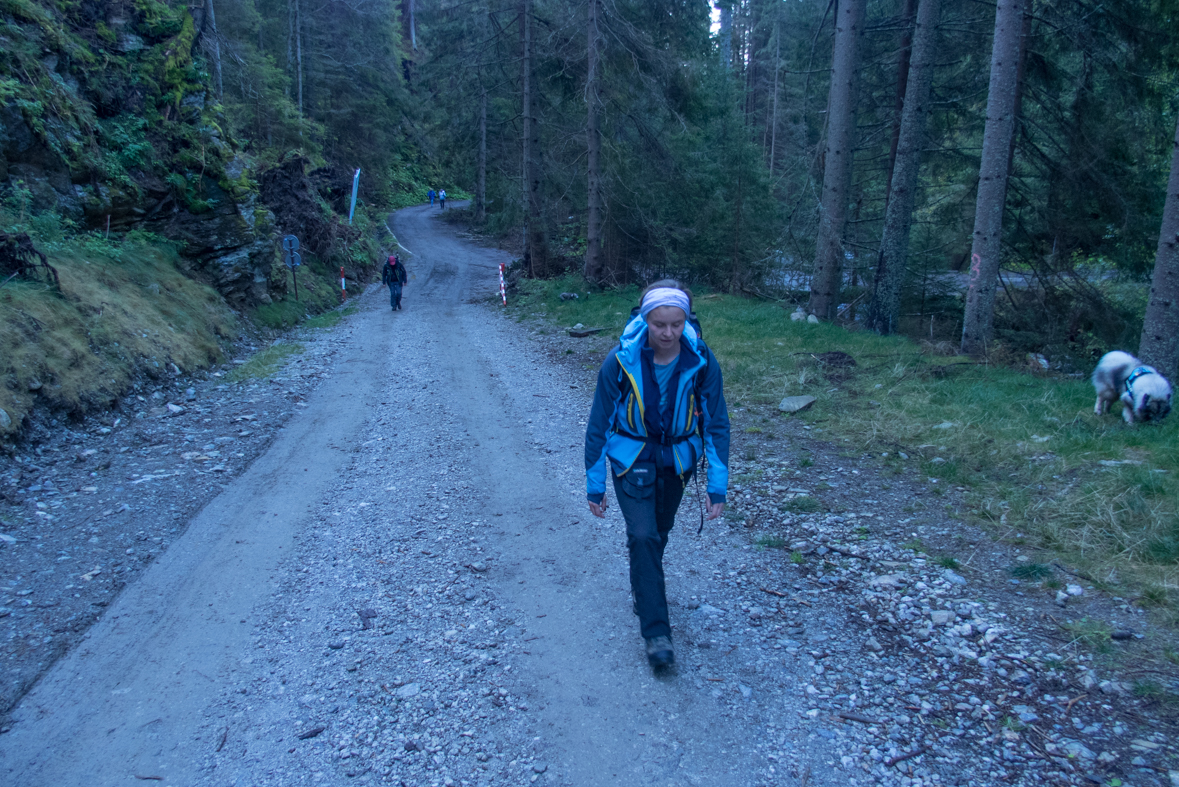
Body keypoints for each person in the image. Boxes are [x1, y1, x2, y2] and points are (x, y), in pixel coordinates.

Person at [584, 280, 730, 669]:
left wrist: (717, 487)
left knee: (658, 534)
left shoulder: (701, 361)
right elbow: (598, 425)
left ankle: (643, 586)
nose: (668, 334)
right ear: (646, 319)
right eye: (659, 325)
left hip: (677, 461)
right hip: (631, 459)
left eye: (676, 325)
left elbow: (716, 424)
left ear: (687, 321)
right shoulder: (620, 360)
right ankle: (657, 633)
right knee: (643, 534)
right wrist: (594, 484)